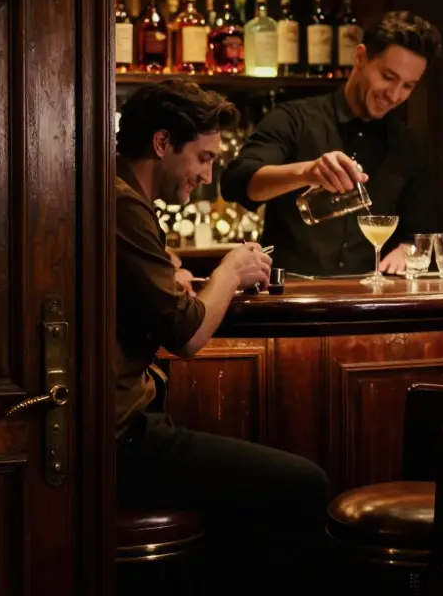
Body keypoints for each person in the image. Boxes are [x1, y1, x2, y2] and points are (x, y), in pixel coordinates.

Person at [114, 79, 331, 589]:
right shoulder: (123, 204)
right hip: (122, 439)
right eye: (204, 158)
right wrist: (231, 271)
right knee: (305, 484)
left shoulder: (120, 197)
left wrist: (175, 276)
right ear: (163, 143)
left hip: (128, 426)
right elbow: (187, 335)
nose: (208, 176)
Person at [221, 11, 443, 278]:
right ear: (360, 57)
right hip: (289, 301)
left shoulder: (408, 146)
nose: (395, 95)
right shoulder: (294, 119)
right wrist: (306, 172)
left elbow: (419, 233)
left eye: (408, 86)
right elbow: (236, 183)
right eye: (388, 77)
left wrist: (407, 250)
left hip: (366, 306)